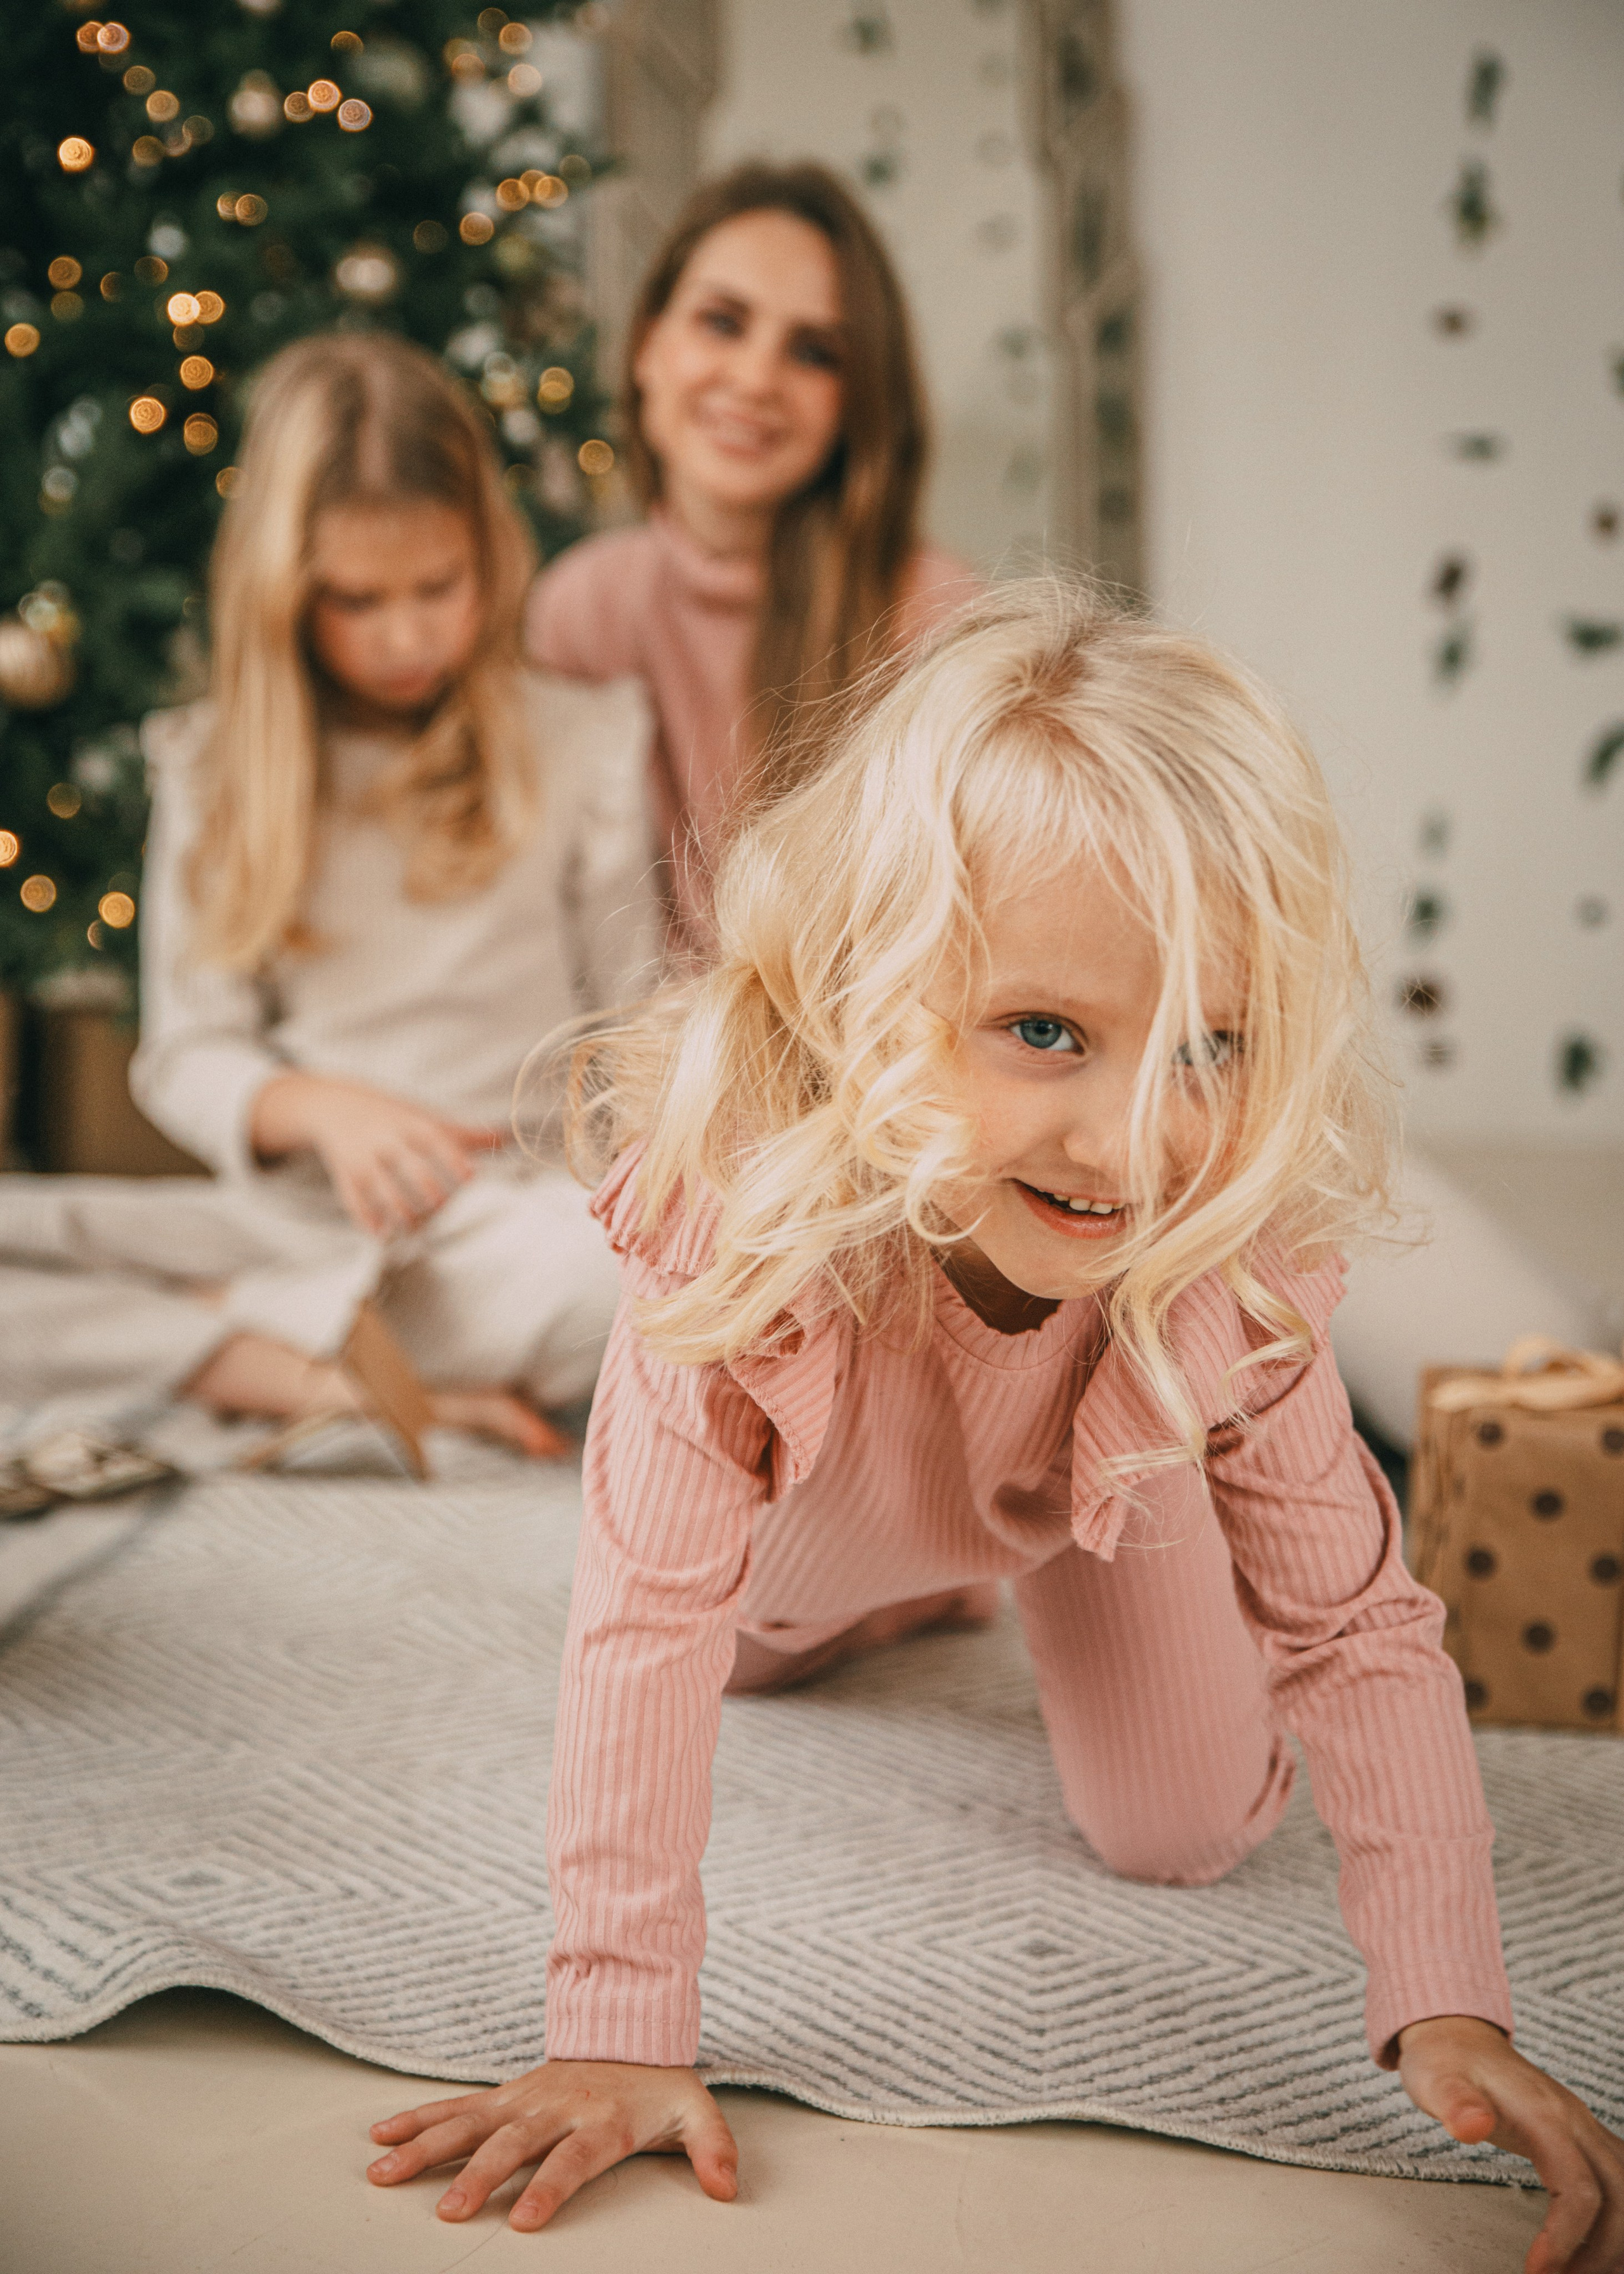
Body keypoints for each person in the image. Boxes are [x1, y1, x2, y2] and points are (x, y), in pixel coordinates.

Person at [368, 582, 1624, 2266]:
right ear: (876, 1003)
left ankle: (1007, 1562)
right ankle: (924, 1585)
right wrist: (616, 2026)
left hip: (1089, 1491)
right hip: (812, 1542)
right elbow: (641, 1633)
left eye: (1205, 1048)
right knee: (750, 1650)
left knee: (1181, 1830)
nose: (1126, 1143)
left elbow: (1358, 1630)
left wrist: (1450, 1999)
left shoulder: (1211, 1269)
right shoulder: (753, 1234)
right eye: (1046, 1033)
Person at [0, 333, 660, 1453]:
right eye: (356, 599)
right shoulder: (211, 767)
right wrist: (323, 1111)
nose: (405, 635)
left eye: (436, 587)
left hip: (511, 1222)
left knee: (635, 1291)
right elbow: (186, 1054)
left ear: (488, 561)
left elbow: (643, 1026)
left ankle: (244, 1348)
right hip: (286, 1223)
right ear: (285, 589)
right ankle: (309, 1375)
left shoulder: (584, 741)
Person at [526, 159, 979, 950]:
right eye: (723, 323)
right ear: (646, 346)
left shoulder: (937, 619)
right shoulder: (580, 607)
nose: (755, 378)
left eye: (813, 353)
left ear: (859, 400)